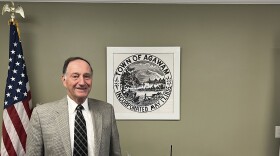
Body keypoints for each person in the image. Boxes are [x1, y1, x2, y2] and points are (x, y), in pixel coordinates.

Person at [26, 57, 122, 156]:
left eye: (87, 76)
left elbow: (115, 153)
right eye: (75, 76)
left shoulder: (106, 110)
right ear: (64, 80)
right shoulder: (41, 114)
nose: (82, 82)